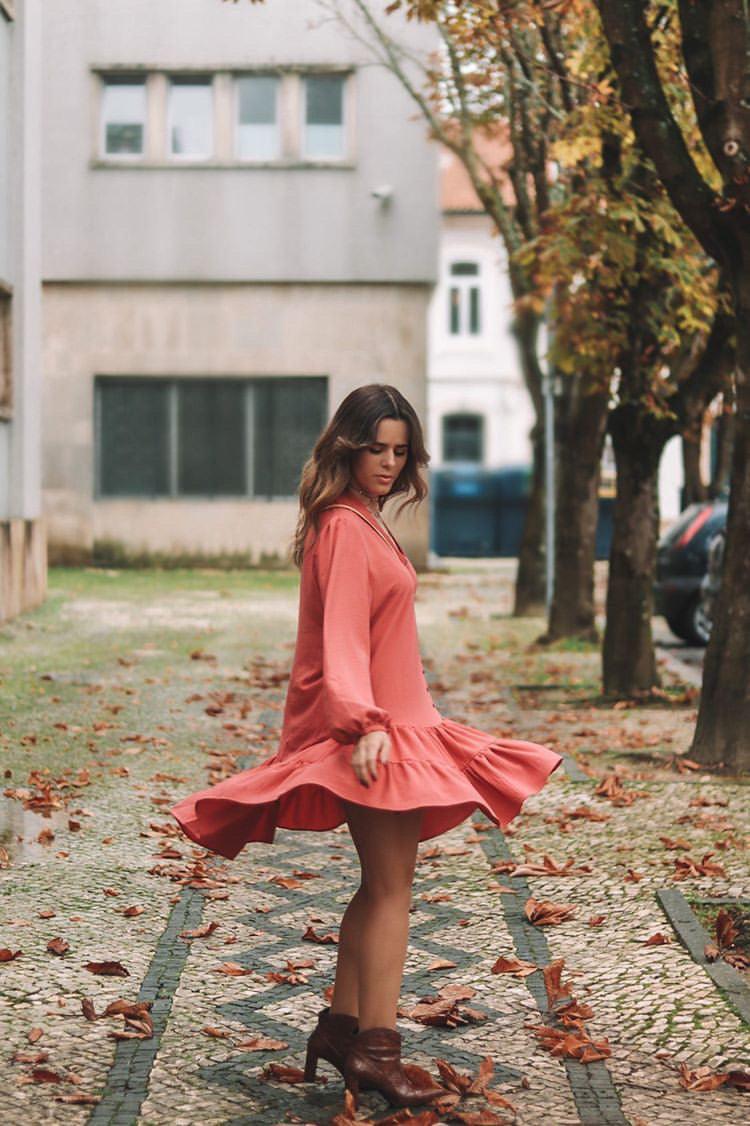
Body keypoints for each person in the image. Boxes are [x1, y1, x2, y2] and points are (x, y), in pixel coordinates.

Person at [171, 384, 563, 1110]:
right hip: (377, 731)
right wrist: (363, 723)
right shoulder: (347, 528)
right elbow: (342, 635)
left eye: (399, 450)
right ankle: (379, 1054)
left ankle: (341, 1027)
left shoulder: (361, 520)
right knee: (392, 892)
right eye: (376, 448)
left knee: (379, 886)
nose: (388, 462)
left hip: (399, 723)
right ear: (347, 447)